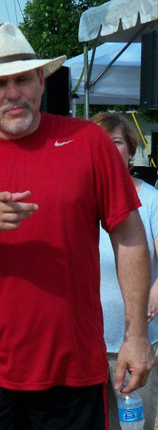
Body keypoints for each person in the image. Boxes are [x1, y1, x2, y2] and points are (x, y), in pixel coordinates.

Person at [0, 23, 156, 429]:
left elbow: (129, 235)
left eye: (22, 78)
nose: (12, 93)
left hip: (73, 362)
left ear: (41, 80)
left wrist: (135, 336)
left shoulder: (89, 143)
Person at [92, 112, 158, 430]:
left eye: (116, 142)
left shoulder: (150, 199)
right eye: (100, 142)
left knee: (136, 426)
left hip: (133, 341)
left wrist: (154, 293)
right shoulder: (80, 200)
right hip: (86, 342)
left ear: (131, 150)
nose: (108, 148)